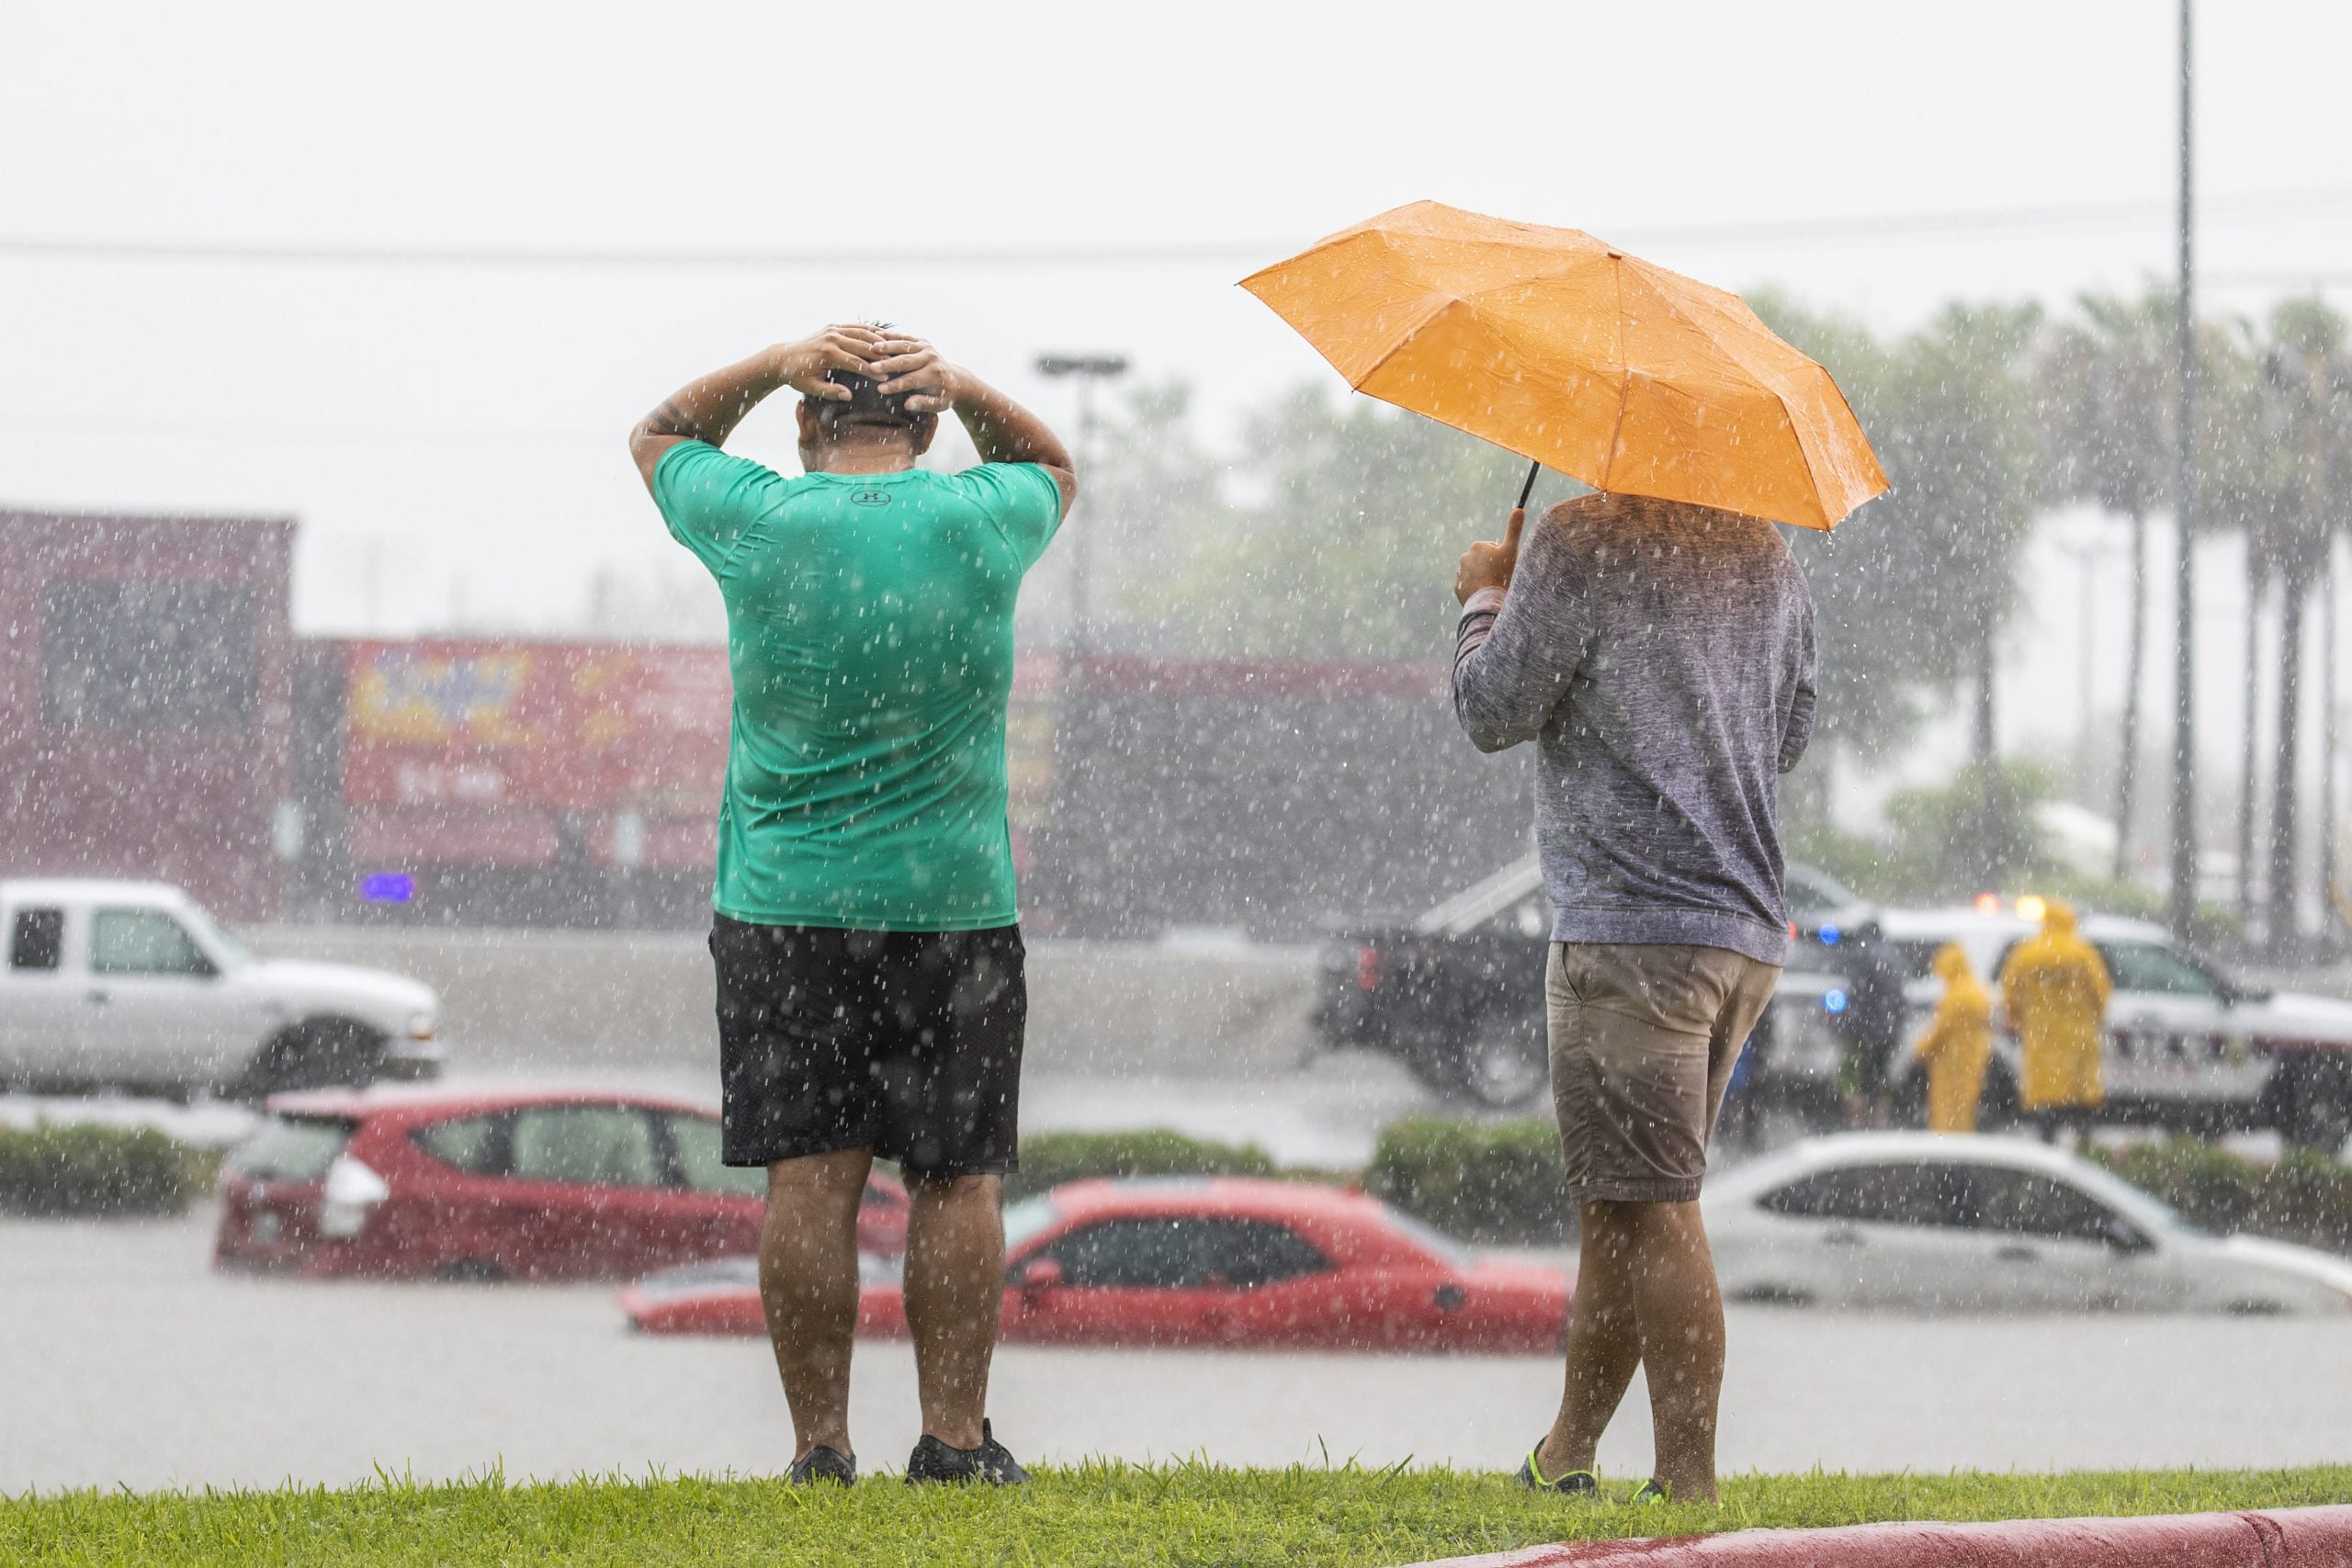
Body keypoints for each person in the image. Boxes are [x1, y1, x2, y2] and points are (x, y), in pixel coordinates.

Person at [628, 324, 1075, 1487]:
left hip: (785, 909)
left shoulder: (760, 520)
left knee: (810, 1179)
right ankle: (954, 1440)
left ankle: (820, 1448)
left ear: (802, 423)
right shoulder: (982, 519)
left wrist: (769, 360)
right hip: (953, 908)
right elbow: (1053, 465)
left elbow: (659, 434)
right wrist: (967, 386)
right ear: (924, 428)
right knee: (956, 1177)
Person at [1452, 491, 1815, 1505]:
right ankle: (1566, 1453)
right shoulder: (1769, 553)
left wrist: (1485, 599)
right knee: (1620, 1202)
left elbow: (1492, 710)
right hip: (1741, 935)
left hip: (1630, 933)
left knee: (1654, 1207)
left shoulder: (1580, 537)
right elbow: (1787, 735)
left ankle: (1687, 1483)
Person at [1997, 901, 2110, 1145]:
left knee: (2046, 1095)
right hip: (2078, 1037)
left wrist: (2015, 1021)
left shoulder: (2026, 953)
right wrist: (2095, 1017)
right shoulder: (2082, 953)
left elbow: (2010, 993)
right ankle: (2083, 1146)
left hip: (2041, 1038)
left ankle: (2047, 1143)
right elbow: (2100, 992)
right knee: (2080, 1096)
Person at [1832, 920, 1907, 1128]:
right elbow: (1901, 999)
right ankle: (1880, 1121)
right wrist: (1895, 1026)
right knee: (1881, 1076)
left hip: (1863, 1029)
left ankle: (1858, 1121)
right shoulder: (1894, 955)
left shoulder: (1862, 954)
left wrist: (1845, 1024)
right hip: (1889, 1030)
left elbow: (1857, 994)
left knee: (1852, 1075)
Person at [1912, 942, 1994, 1134]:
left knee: (1948, 1108)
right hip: (1973, 1058)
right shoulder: (1977, 990)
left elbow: (1941, 1030)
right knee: (1966, 1103)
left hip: (1951, 1061)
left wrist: (1921, 1049)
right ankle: (1962, 1139)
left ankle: (1950, 1144)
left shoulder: (1956, 996)